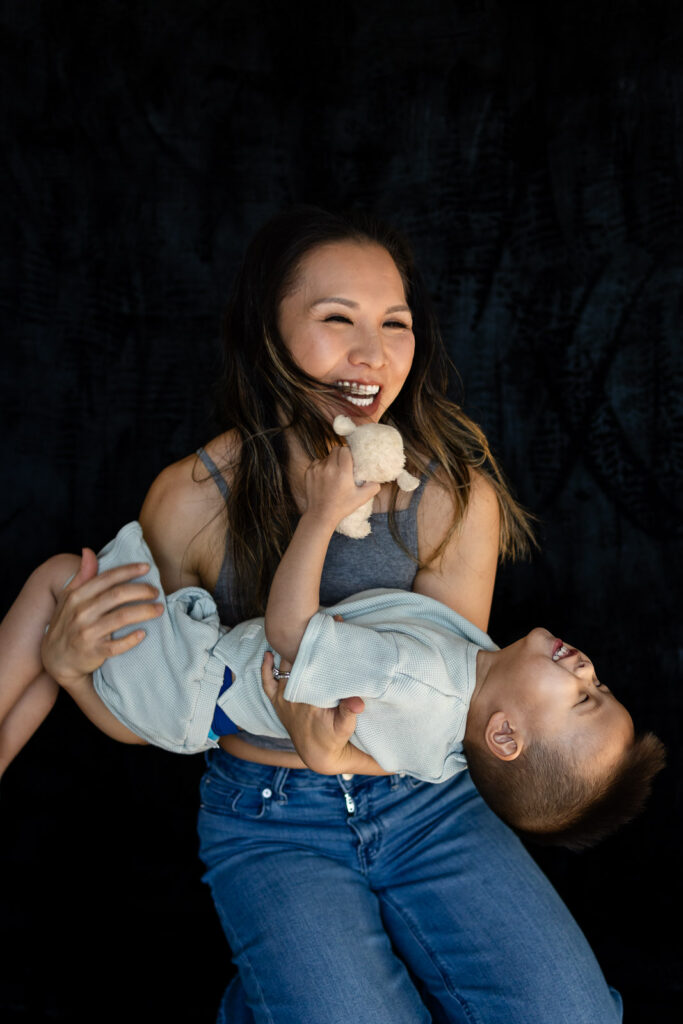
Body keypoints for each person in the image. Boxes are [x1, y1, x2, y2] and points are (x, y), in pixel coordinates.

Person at [37, 206, 633, 1022]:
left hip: (429, 801)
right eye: (335, 319)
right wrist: (75, 675)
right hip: (269, 818)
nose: (373, 352)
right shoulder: (188, 501)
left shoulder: (451, 498)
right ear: (266, 332)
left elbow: (455, 711)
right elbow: (174, 709)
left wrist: (336, 754)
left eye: (396, 323)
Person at [0, 453, 662, 850]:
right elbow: (373, 759)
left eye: (582, 698)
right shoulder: (456, 746)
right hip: (192, 714)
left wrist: (320, 515)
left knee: (59, 579)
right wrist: (325, 753)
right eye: (600, 685)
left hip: (188, 680)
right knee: (57, 654)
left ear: (506, 734)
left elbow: (289, 631)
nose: (586, 669)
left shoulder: (417, 676)